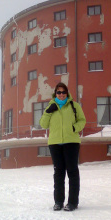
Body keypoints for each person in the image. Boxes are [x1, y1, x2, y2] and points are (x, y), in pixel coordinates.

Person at [39, 82, 86, 211]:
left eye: (63, 92)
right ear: (55, 93)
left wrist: (74, 128)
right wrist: (48, 111)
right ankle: (58, 202)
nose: (61, 94)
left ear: (67, 93)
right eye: (58, 92)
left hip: (71, 142)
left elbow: (82, 120)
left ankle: (72, 202)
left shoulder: (74, 106)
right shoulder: (50, 107)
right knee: (58, 173)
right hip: (55, 143)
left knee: (72, 171)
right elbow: (43, 124)